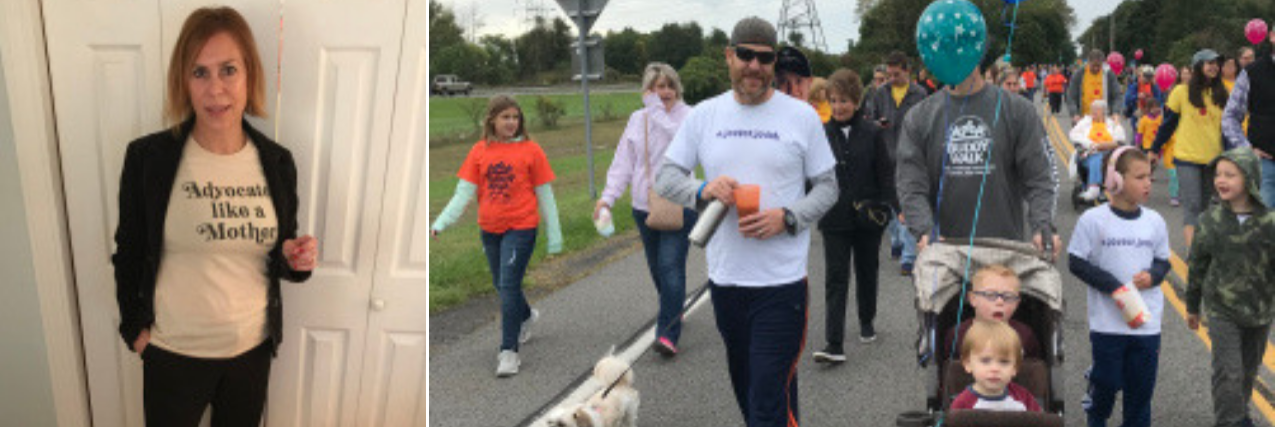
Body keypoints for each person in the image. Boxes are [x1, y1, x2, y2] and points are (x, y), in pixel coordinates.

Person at [112, 7, 319, 426]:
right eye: (199, 73)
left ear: (249, 75)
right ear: (183, 81)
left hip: (251, 354)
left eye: (228, 70)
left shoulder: (277, 162)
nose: (215, 89)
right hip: (172, 355)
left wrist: (295, 258)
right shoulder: (149, 159)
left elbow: (280, 252)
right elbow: (129, 252)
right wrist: (135, 333)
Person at [654, 17, 838, 427]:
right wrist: (703, 189)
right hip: (727, 282)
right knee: (755, 394)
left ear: (774, 63)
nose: (754, 66)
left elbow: (828, 188)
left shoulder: (801, 116)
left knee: (766, 402)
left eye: (764, 58)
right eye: (745, 55)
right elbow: (665, 178)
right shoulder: (705, 115)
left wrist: (788, 217)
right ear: (729, 56)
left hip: (782, 285)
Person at [432, 94, 564, 377]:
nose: (511, 122)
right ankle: (526, 316)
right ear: (492, 119)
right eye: (505, 117)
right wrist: (440, 222)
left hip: (521, 227)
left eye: (515, 117)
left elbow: (546, 196)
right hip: (489, 228)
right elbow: (463, 193)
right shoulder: (479, 151)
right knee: (502, 285)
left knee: (508, 285)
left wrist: (555, 236)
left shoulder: (531, 150)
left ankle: (508, 352)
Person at [897, 52, 1061, 264]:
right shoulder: (918, 117)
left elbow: (1039, 178)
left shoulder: (1019, 110)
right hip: (943, 255)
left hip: (1004, 254)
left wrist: (1042, 226)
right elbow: (910, 185)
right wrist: (924, 229)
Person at [595, 62, 695, 357]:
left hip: (680, 203)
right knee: (657, 269)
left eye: (669, 85)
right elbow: (623, 163)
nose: (664, 92)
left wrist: (656, 112)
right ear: (647, 90)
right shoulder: (637, 119)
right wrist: (607, 198)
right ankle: (673, 308)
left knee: (670, 266)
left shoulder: (689, 116)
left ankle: (667, 334)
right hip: (644, 205)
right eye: (657, 87)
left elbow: (683, 145)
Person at [1067, 146, 1172, 427]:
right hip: (1108, 323)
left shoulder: (1155, 221)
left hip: (1146, 323)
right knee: (1107, 382)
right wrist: (1113, 287)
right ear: (1114, 180)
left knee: (1140, 392)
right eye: (1139, 177)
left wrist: (1153, 275)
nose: (1148, 183)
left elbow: (1163, 261)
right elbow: (1076, 262)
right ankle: (1096, 412)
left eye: (1149, 177)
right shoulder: (1093, 220)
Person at [1185, 147, 1275, 427]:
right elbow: (1197, 265)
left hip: (1260, 312)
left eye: (1230, 175)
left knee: (1248, 371)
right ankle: (1230, 421)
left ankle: (1239, 413)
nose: (1220, 180)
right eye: (1218, 174)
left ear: (1249, 178)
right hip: (1222, 310)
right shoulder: (1209, 221)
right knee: (1229, 372)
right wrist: (1192, 306)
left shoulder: (1270, 223)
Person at [813, 68, 895, 364]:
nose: (838, 107)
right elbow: (812, 176)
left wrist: (890, 208)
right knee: (836, 278)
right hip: (834, 218)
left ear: (857, 101)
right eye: (833, 100)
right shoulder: (820, 134)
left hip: (867, 217)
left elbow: (885, 174)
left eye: (844, 101)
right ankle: (834, 342)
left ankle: (866, 319)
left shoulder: (873, 132)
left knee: (867, 271)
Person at [1150, 49, 1229, 248]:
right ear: (1198, 67)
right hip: (1187, 158)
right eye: (1209, 63)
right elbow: (1168, 124)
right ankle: (1193, 254)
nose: (1214, 67)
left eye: (1216, 63)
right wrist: (1154, 149)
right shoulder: (1181, 91)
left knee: (1206, 208)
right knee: (1192, 205)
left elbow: (1228, 129)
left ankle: (1203, 248)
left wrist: (1231, 156)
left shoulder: (1222, 93)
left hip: (1213, 159)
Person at [865, 51, 928, 276]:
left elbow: (926, 124)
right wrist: (877, 124)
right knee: (889, 205)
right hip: (885, 154)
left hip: (911, 156)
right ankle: (896, 239)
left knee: (908, 202)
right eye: (889, 74)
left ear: (907, 71)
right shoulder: (880, 92)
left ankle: (908, 258)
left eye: (896, 74)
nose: (892, 78)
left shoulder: (920, 94)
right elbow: (869, 119)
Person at [939, 265, 1042, 361]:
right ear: (973, 299)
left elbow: (1033, 369)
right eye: (990, 295)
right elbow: (951, 370)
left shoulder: (1025, 335)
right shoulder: (957, 335)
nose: (1000, 302)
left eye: (1008, 297)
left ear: (1017, 303)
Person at [1222, 31, 1274, 209]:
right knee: (1264, 221)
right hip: (1266, 165)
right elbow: (1230, 116)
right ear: (1272, 36)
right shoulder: (1253, 72)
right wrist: (1246, 148)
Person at [949, 319, 1043, 412]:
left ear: (1015, 367)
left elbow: (1040, 419)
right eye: (985, 361)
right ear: (968, 364)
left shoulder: (1024, 398)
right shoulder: (962, 404)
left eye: (1004, 362)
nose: (995, 369)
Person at [1070, 100, 1129, 201]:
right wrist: (1090, 144)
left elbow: (1121, 139)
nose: (1094, 112)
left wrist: (1117, 123)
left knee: (1102, 157)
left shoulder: (1111, 124)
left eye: (1097, 110)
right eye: (1092, 109)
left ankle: (1096, 188)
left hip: (1108, 156)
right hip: (1088, 154)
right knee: (1096, 157)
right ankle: (1094, 187)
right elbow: (1073, 135)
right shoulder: (1084, 123)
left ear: (1104, 112)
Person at [1067, 49, 1124, 126]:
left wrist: (1115, 112)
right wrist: (1074, 114)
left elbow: (1117, 95)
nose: (1096, 68)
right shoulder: (1079, 74)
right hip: (1083, 119)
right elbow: (1071, 96)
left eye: (1098, 66)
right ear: (1088, 62)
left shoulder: (1108, 75)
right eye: (1093, 65)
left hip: (1104, 120)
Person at [1124, 66, 1164, 132]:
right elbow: (1127, 100)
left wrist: (1152, 100)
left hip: (1152, 116)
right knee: (1138, 133)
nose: (1147, 79)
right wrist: (1137, 96)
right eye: (1145, 76)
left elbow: (1159, 101)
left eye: (1149, 76)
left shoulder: (1155, 87)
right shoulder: (1135, 86)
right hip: (1139, 114)